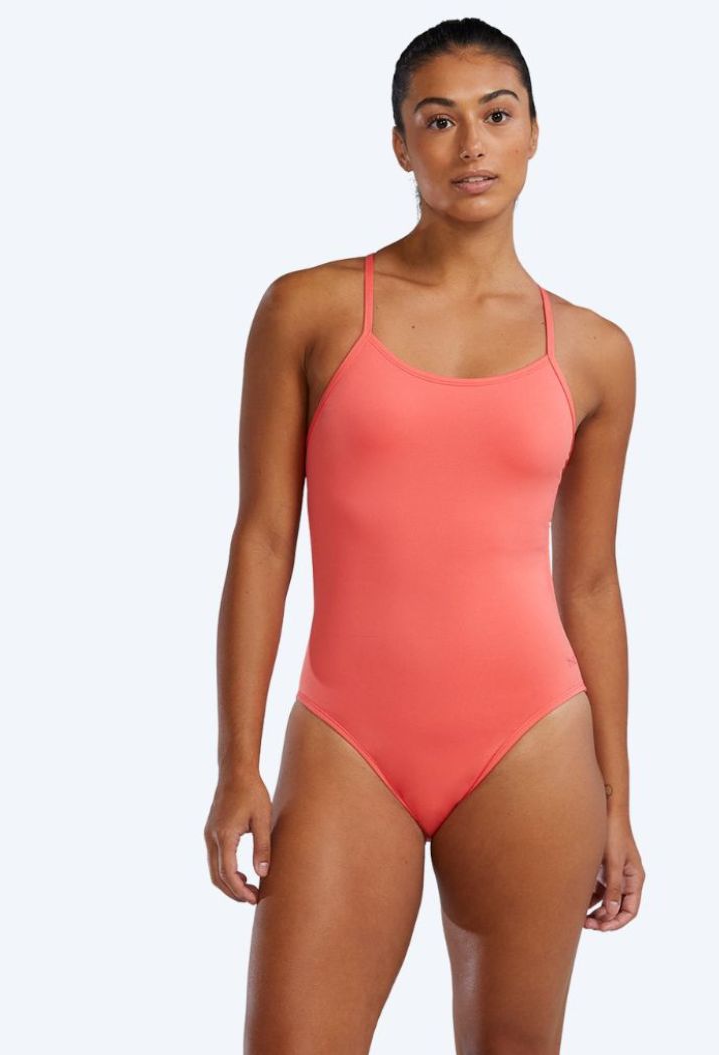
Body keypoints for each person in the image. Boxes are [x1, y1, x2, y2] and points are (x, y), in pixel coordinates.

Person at [204, 16, 644, 1054]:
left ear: (534, 132)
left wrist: (618, 800)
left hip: (534, 742)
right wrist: (237, 763)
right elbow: (262, 540)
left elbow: (589, 582)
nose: (471, 144)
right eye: (438, 121)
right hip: (348, 738)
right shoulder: (310, 310)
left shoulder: (594, 351)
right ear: (401, 145)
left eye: (497, 115)